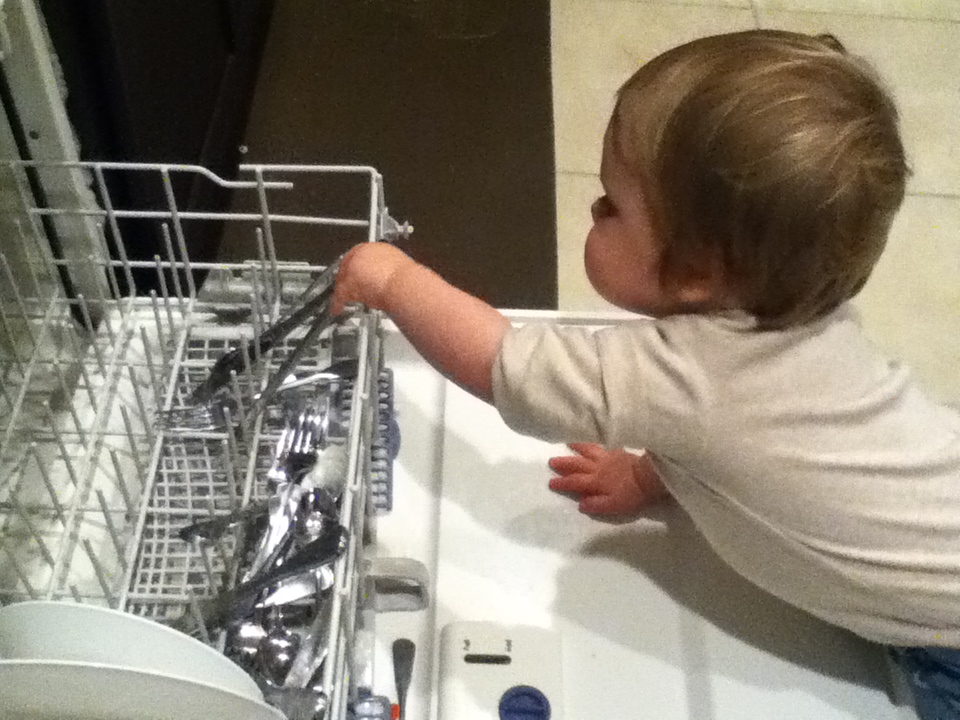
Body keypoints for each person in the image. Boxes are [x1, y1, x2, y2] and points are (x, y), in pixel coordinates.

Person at [331, 29, 960, 718]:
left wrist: (394, 280)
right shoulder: (802, 319)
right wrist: (644, 476)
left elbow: (505, 365)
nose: (593, 211)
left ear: (696, 273)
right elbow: (736, 442)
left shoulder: (688, 377)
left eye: (611, 206)